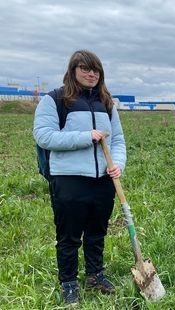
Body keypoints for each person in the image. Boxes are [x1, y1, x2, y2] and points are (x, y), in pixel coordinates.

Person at [33, 50, 126, 306]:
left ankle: (95, 275)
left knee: (97, 232)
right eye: (85, 68)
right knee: (69, 236)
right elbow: (44, 136)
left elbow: (117, 140)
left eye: (95, 70)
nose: (91, 74)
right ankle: (69, 283)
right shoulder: (56, 100)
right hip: (69, 179)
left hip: (103, 180)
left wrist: (117, 165)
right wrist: (86, 137)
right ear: (73, 70)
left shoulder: (106, 103)